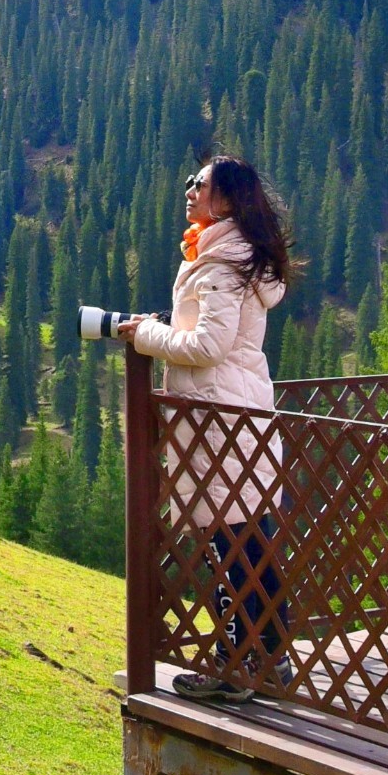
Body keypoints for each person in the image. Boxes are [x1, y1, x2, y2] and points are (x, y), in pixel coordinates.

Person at [116, 156, 293, 705]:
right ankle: (269, 662)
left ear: (227, 201)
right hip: (240, 414)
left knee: (231, 547)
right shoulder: (236, 257)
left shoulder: (220, 265)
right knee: (251, 543)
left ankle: (234, 668)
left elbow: (207, 348)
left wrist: (147, 335)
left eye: (201, 184)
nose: (189, 189)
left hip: (219, 422)